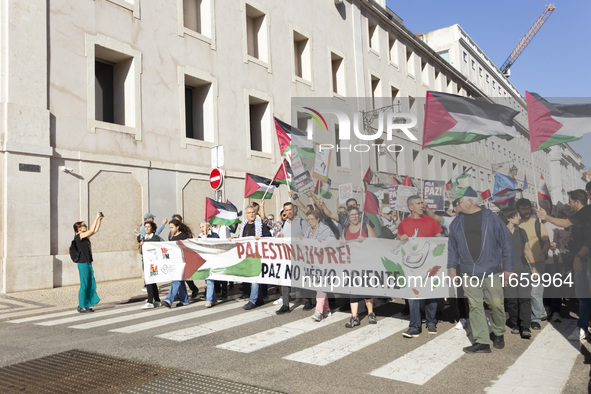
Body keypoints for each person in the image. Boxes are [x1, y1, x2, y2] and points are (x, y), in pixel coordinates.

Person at [448, 187, 513, 353]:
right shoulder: (456, 222)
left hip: (491, 270)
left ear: (470, 201)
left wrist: (508, 268)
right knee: (474, 305)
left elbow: (507, 243)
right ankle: (482, 341)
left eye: (459, 201)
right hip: (468, 271)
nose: (456, 205)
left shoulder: (491, 218)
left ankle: (498, 332)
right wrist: (451, 267)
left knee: (496, 304)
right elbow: (452, 247)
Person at [537, 189, 591, 341]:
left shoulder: (585, 211)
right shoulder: (584, 215)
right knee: (583, 296)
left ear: (577, 202)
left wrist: (546, 217)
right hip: (583, 259)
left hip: (584, 261)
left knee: (584, 296)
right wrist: (571, 237)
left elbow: (566, 223)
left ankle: (582, 327)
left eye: (570, 201)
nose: (568, 203)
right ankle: (583, 326)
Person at [396, 195, 443, 338]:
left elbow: (441, 240)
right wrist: (400, 237)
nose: (422, 205)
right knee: (413, 295)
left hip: (429, 264)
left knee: (430, 293)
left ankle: (431, 322)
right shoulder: (404, 223)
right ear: (411, 207)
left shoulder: (431, 221)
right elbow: (397, 239)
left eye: (422, 203)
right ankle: (414, 326)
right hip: (411, 266)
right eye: (418, 203)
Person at [499, 208, 536, 339]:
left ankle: (525, 326)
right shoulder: (500, 233)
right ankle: (515, 323)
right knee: (511, 300)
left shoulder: (521, 232)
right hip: (508, 271)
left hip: (523, 270)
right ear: (509, 218)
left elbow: (527, 249)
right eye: (516, 215)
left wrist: (534, 267)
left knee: (525, 299)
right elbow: (499, 253)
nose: (519, 217)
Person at [515, 198, 550, 330]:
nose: (527, 211)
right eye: (523, 208)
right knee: (525, 292)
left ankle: (536, 319)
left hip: (537, 263)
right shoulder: (516, 225)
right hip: (522, 263)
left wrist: (543, 252)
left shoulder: (538, 224)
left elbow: (546, 241)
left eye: (528, 208)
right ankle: (539, 312)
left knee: (535, 291)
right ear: (518, 210)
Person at [341, 206, 377, 328]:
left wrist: (365, 240)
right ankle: (354, 317)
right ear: (348, 217)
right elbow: (341, 243)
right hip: (352, 264)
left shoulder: (365, 227)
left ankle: (371, 313)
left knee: (366, 289)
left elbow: (376, 242)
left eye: (356, 214)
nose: (355, 216)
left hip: (365, 263)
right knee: (353, 291)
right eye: (352, 215)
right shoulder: (345, 229)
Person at [276, 202, 312, 314]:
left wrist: (303, 238)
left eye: (290, 209)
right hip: (287, 257)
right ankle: (285, 305)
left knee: (301, 279)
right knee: (286, 279)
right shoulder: (284, 224)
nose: (288, 212)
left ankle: (308, 301)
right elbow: (282, 236)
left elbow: (310, 235)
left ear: (295, 210)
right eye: (286, 210)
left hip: (301, 256)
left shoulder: (302, 222)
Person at [302, 210, 337, 322]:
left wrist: (325, 241)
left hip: (323, 262)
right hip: (312, 262)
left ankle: (318, 312)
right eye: (308, 220)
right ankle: (326, 309)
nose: (310, 222)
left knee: (321, 286)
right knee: (319, 286)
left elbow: (334, 242)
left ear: (317, 219)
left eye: (312, 219)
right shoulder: (308, 230)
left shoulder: (325, 229)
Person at [234, 205, 271, 310]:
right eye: (249, 212)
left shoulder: (260, 226)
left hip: (257, 256)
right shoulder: (244, 226)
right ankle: (259, 299)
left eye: (253, 212)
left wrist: (261, 238)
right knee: (253, 278)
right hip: (247, 256)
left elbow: (269, 238)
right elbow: (242, 239)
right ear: (246, 214)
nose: (251, 214)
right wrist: (233, 239)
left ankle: (252, 300)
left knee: (254, 278)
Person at [72, 212, 104, 313]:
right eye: (83, 225)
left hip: (87, 263)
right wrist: (96, 217)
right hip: (82, 264)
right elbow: (91, 230)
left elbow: (95, 230)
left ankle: (85, 304)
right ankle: (81, 305)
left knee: (89, 283)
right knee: (84, 284)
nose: (85, 226)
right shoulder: (78, 237)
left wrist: (99, 219)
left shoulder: (84, 237)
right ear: (78, 228)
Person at [162, 219, 194, 308]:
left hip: (182, 262)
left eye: (172, 227)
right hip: (175, 262)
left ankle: (169, 299)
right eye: (169, 228)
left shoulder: (183, 236)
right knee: (180, 281)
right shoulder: (172, 237)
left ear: (177, 227)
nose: (170, 229)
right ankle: (184, 300)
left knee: (175, 280)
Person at [139, 221, 163, 309]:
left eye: (148, 227)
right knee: (151, 281)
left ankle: (150, 301)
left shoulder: (155, 238)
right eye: (145, 227)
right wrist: (141, 245)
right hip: (145, 262)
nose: (147, 228)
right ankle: (157, 300)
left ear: (152, 228)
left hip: (153, 263)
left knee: (150, 280)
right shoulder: (144, 238)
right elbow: (140, 252)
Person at [199, 222, 221, 308]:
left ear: (208, 227)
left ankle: (209, 300)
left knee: (209, 280)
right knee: (207, 280)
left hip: (213, 261)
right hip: (204, 262)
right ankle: (214, 300)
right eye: (200, 227)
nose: (202, 228)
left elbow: (219, 245)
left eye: (203, 226)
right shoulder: (200, 237)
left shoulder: (214, 236)